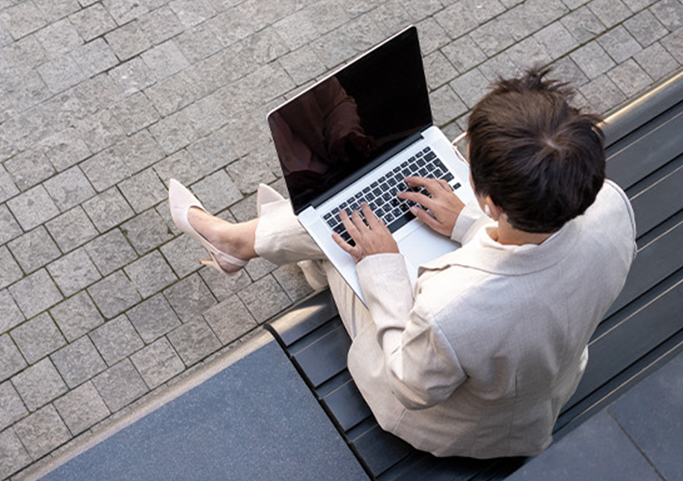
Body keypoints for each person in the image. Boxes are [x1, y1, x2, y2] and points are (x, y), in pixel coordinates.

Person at [168, 67, 636, 459]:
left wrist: (383, 269)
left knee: (348, 240)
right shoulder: (612, 207)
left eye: (466, 160)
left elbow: (412, 385)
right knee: (361, 224)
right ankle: (249, 240)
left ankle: (239, 241)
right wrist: (467, 224)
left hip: (466, 424)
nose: (463, 157)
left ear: (492, 203)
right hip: (539, 378)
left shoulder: (453, 310)